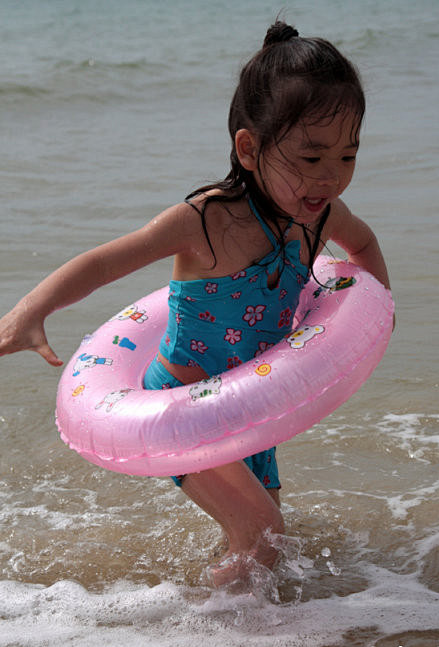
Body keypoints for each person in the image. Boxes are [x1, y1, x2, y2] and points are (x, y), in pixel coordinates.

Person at [0, 21, 391, 586]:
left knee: (265, 541)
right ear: (250, 148)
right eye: (311, 158)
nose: (331, 177)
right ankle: (195, 633)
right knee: (263, 534)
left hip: (248, 411)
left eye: (348, 156)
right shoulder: (208, 220)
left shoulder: (321, 217)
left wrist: (379, 304)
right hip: (181, 410)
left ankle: (247, 636)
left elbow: (365, 244)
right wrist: (28, 313)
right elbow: (105, 261)